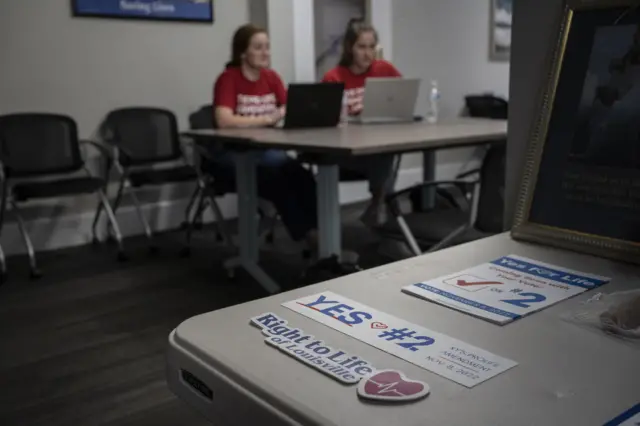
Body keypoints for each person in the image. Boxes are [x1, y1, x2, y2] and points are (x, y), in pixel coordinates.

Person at [208, 24, 319, 248]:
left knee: (304, 177)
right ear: (242, 52)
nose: (265, 52)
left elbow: (291, 107)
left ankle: (320, 233)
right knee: (280, 180)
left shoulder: (271, 78)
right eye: (258, 47)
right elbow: (224, 119)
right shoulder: (229, 78)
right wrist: (267, 119)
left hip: (268, 152)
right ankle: (311, 239)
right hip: (236, 155)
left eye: (267, 47)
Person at [322, 18, 402, 227]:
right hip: (346, 152)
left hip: (375, 144)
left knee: (383, 151)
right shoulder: (333, 77)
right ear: (350, 48)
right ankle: (383, 209)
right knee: (383, 156)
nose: (368, 53)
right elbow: (327, 124)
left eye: (372, 47)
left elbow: (403, 97)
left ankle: (381, 207)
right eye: (361, 47)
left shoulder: (384, 69)